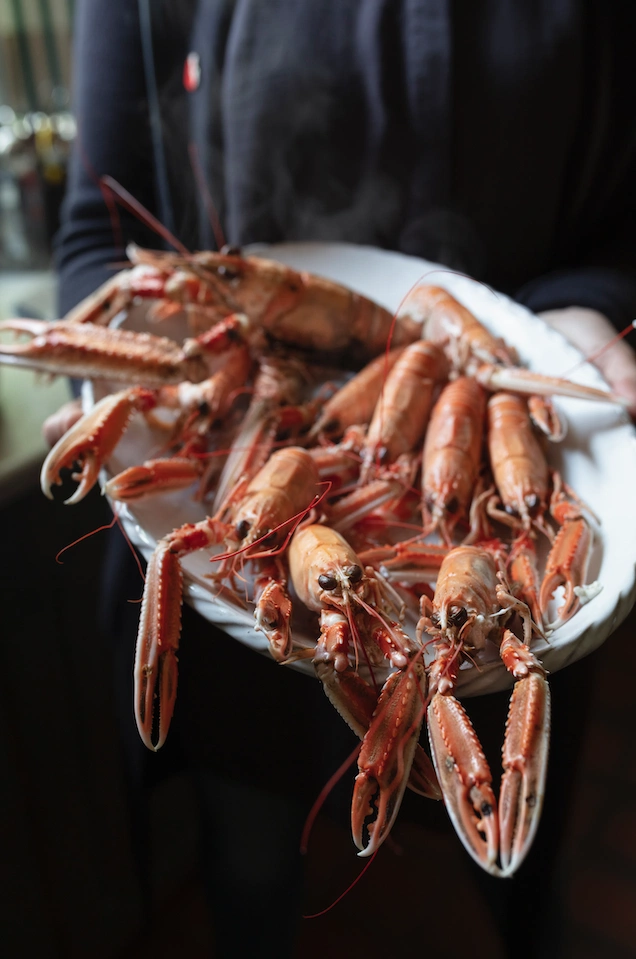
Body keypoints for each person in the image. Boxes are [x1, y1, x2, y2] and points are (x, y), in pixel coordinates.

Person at [53, 2, 636, 957]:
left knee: (520, 877)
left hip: (486, 508)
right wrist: (111, 373)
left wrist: (590, 306)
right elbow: (99, 232)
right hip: (232, 616)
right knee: (249, 855)